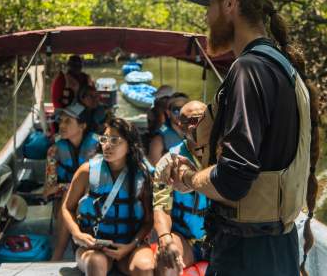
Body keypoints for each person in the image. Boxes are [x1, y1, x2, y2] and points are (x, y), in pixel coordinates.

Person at [170, 0, 321, 276]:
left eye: (210, 3)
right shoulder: (279, 65)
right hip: (276, 249)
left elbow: (234, 178)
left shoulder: (248, 69)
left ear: (230, 2)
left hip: (246, 255)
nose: (207, 15)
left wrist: (187, 179)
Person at [61, 118, 155, 276]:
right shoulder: (86, 171)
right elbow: (67, 208)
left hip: (131, 244)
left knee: (144, 268)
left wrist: (130, 246)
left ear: (130, 145)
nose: (107, 145)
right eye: (104, 139)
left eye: (115, 140)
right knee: (95, 262)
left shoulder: (142, 175)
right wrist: (77, 234)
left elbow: (148, 220)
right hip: (94, 247)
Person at [153, 101, 210, 276]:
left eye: (201, 119)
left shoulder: (224, 156)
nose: (196, 126)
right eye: (190, 121)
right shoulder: (167, 163)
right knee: (167, 260)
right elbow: (161, 206)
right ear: (180, 126)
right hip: (185, 239)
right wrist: (164, 238)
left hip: (220, 238)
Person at [44, 102, 99, 260]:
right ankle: (59, 254)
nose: (61, 125)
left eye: (68, 121)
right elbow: (48, 190)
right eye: (60, 120)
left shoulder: (98, 148)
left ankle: (64, 255)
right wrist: (72, 188)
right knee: (69, 195)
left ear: (82, 126)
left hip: (92, 200)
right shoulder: (54, 151)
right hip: (65, 201)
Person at [148, 93, 188, 165]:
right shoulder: (158, 140)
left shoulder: (197, 134)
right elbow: (154, 171)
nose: (181, 113)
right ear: (168, 113)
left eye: (185, 108)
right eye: (176, 110)